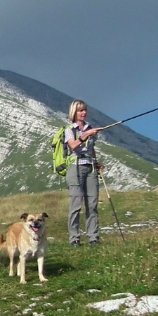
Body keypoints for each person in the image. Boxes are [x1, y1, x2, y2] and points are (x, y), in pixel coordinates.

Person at [65, 99, 103, 246]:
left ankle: (93, 237)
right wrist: (86, 135)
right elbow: (73, 145)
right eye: (81, 110)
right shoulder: (70, 130)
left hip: (90, 167)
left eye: (85, 110)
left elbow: (91, 148)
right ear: (74, 112)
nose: (84, 113)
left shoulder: (89, 128)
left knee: (92, 204)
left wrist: (96, 162)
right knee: (76, 204)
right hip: (75, 167)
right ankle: (74, 238)